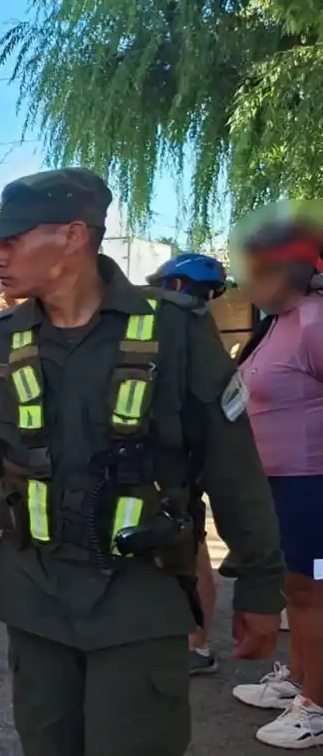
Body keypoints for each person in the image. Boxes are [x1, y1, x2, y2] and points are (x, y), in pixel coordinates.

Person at [0, 167, 284, 756]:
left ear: (73, 236)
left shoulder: (176, 333)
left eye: (10, 240)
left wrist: (260, 585)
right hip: (34, 591)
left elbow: (233, 467)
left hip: (139, 593)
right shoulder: (0, 342)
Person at [228, 220, 323, 749]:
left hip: (314, 485)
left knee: (317, 592)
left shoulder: (314, 322)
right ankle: (300, 682)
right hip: (280, 484)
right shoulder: (277, 323)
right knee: (297, 591)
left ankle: (317, 706)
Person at [146, 253, 232, 676]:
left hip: (181, 464)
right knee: (184, 548)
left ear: (178, 286)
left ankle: (195, 643)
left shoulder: (190, 332)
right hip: (175, 462)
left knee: (191, 551)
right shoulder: (194, 330)